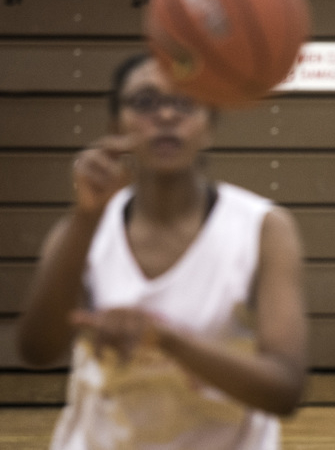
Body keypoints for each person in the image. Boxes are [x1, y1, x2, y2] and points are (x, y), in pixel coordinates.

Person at [17, 53, 308, 450]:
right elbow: (36, 350)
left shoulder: (264, 229)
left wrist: (167, 339)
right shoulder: (84, 227)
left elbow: (285, 389)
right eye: (144, 102)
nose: (167, 115)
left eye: (186, 102)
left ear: (210, 126)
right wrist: (85, 217)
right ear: (114, 124)